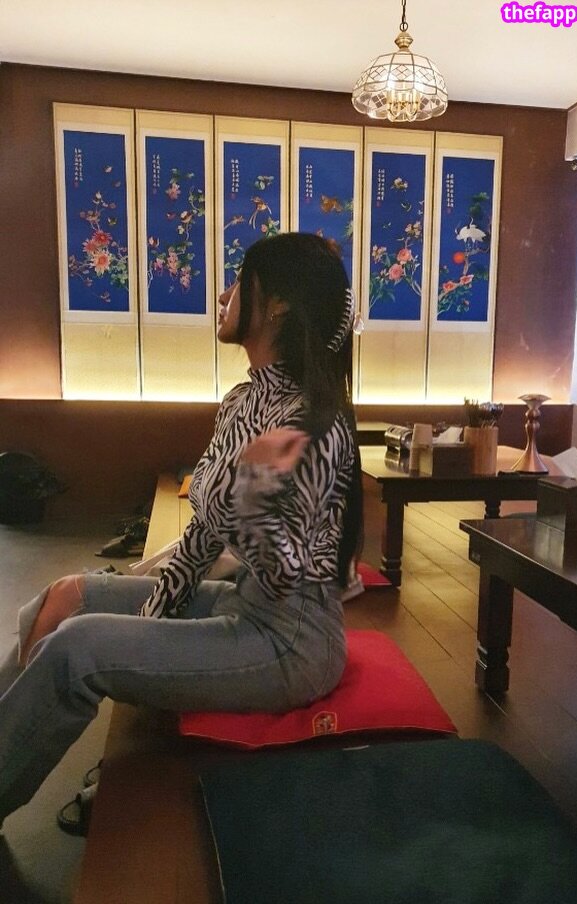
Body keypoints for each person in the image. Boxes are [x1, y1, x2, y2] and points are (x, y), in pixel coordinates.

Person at [0, 232, 363, 825]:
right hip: (243, 605)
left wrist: (254, 503)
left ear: (276, 304)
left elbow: (290, 573)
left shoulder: (314, 423)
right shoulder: (244, 402)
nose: (223, 295)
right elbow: (201, 539)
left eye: (238, 281)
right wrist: (148, 625)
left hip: (291, 640)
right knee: (68, 597)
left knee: (76, 649)